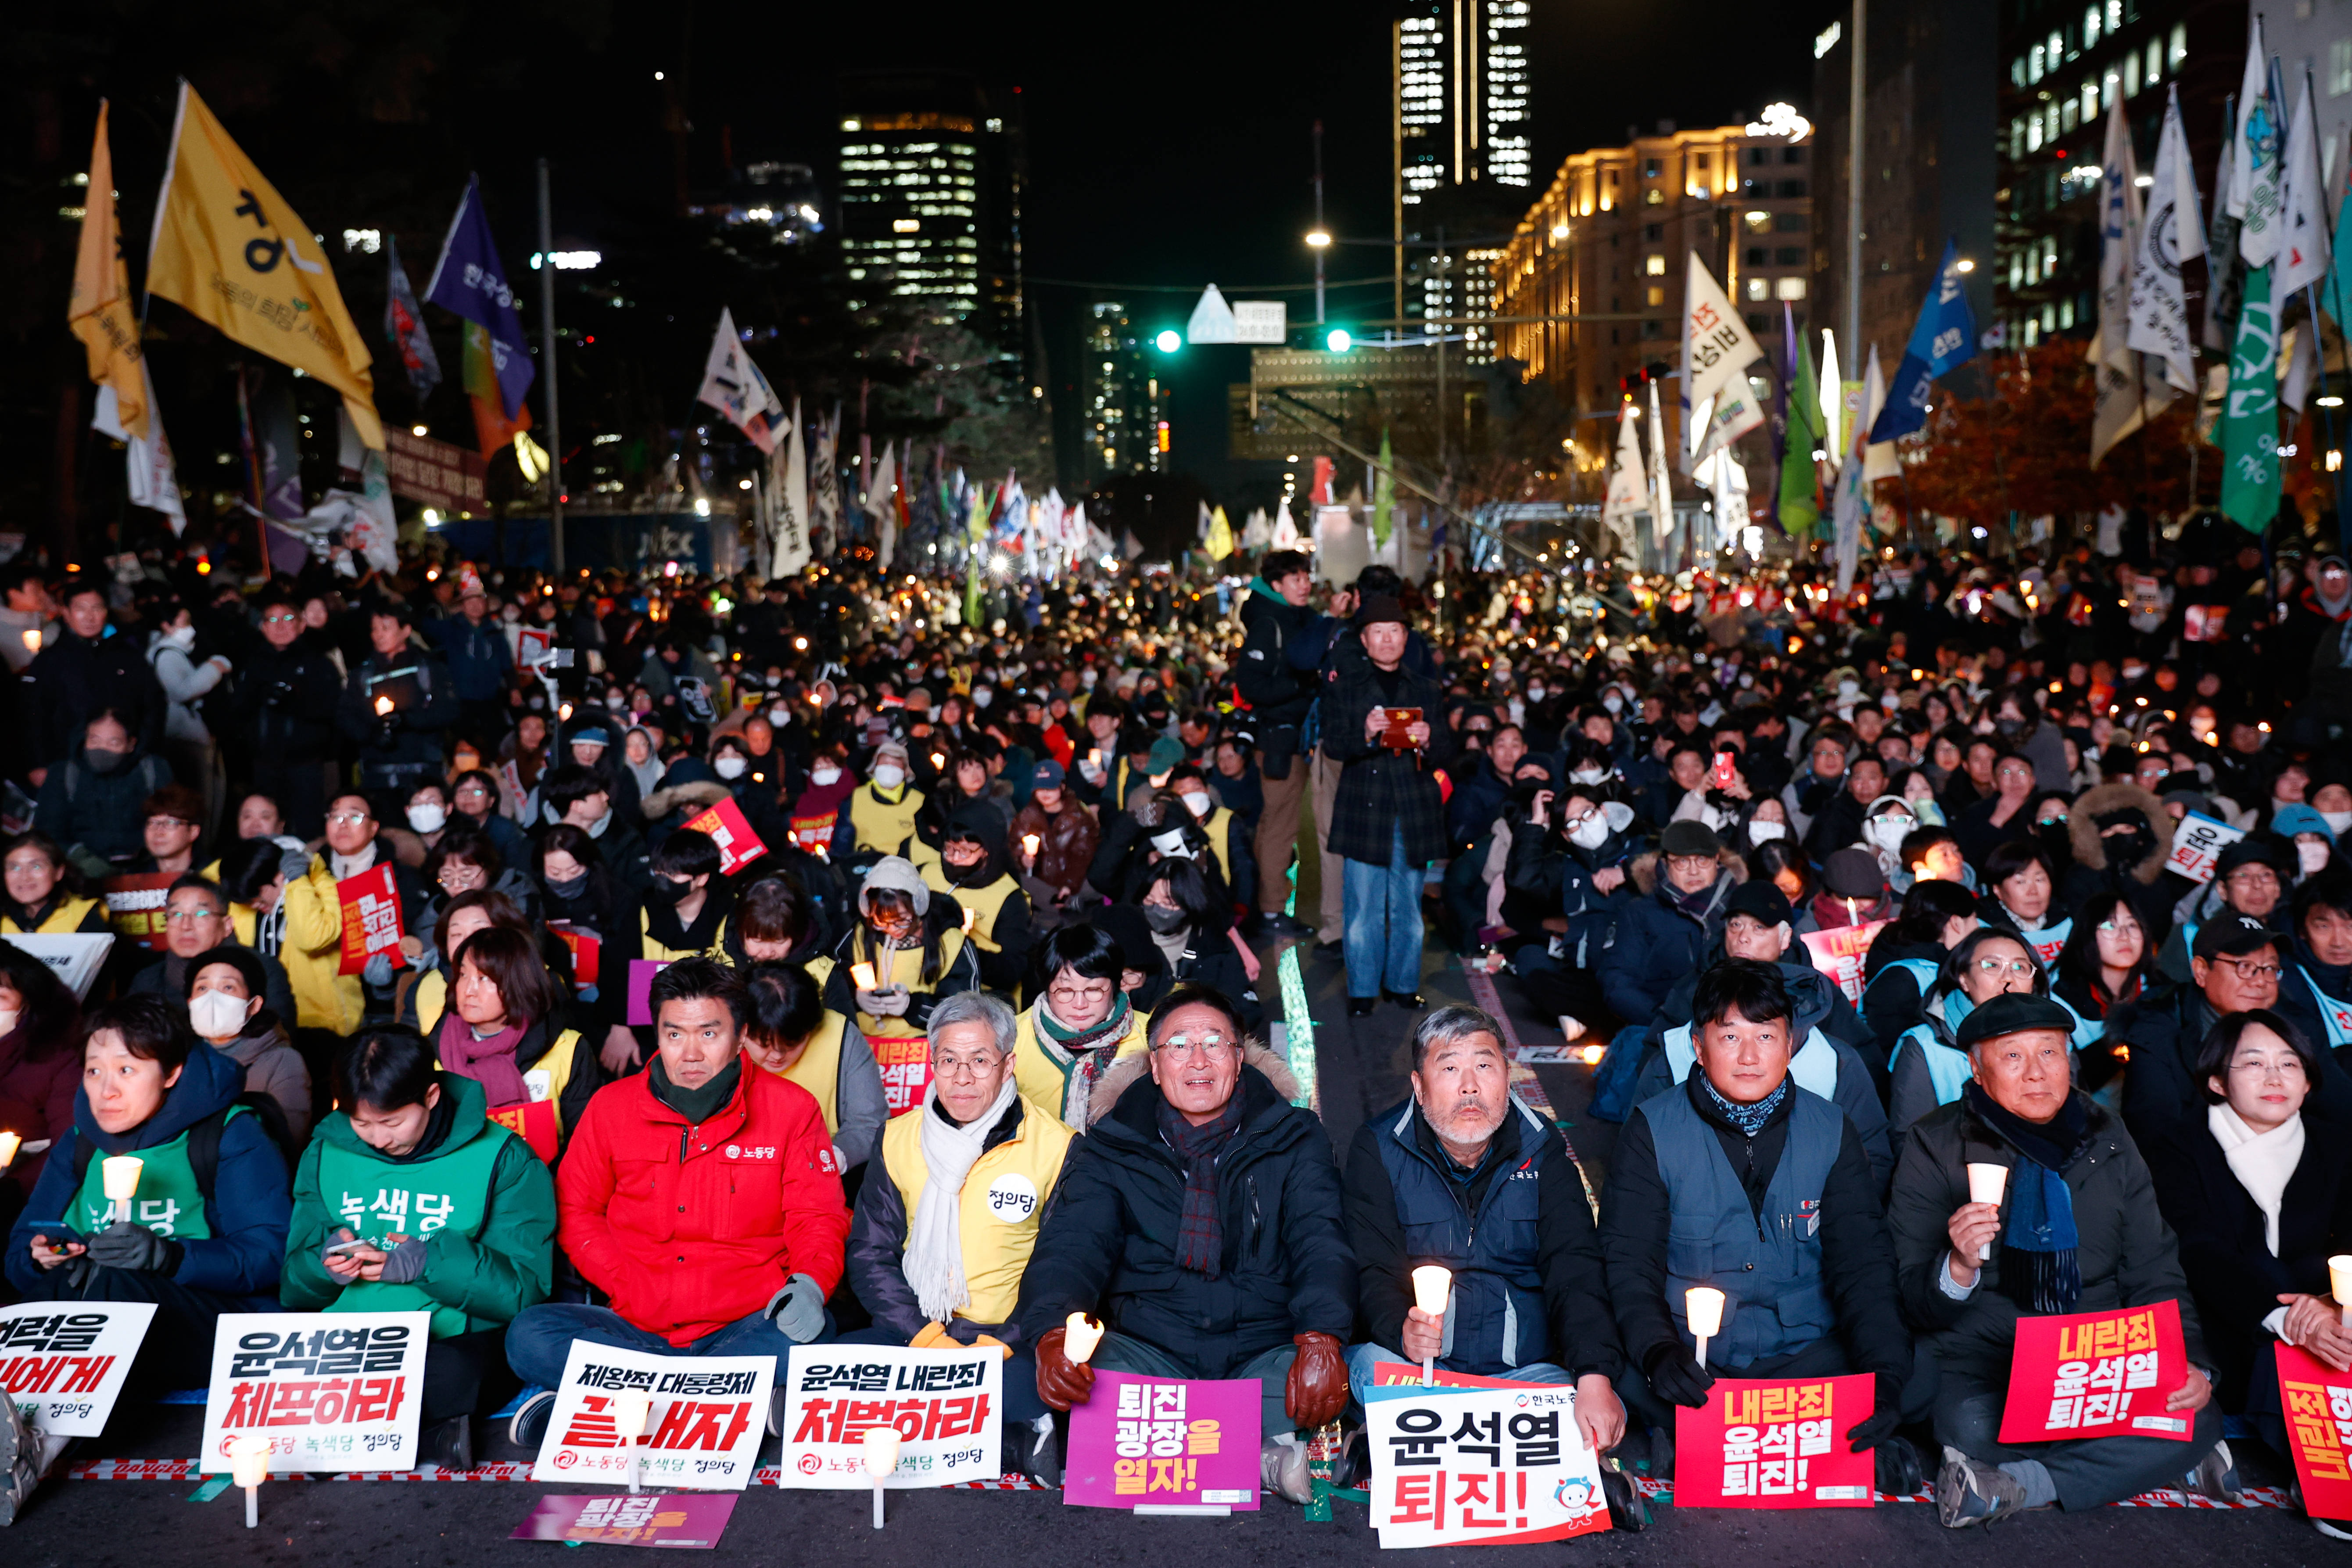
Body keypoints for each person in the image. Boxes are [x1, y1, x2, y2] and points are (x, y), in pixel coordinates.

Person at [1885, 993, 2236, 1524]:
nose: (2035, 1073)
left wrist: (2189, 1359)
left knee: (2200, 1409)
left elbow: (2153, 1266)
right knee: (1971, 1429)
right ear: (1976, 1071)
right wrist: (1956, 1265)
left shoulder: (2108, 1136)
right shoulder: (1934, 1143)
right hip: (1984, 1354)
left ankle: (2023, 1483)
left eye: (2049, 1053)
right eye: (2011, 1057)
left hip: (2091, 1356)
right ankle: (2147, 1460)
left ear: (2069, 1059)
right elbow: (1909, 1295)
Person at [1016, 983, 1355, 1504]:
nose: (1197, 1059)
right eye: (1178, 1044)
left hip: (1260, 1351)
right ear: (1154, 1066)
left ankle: (1155, 1444)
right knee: (1077, 1374)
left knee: (1328, 1382)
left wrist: (1320, 1339)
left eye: (1214, 1043)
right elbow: (1071, 1246)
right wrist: (1053, 1333)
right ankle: (1262, 1457)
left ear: (1239, 1059)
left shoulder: (1294, 1135)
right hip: (1150, 1351)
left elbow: (1320, 1239)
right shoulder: (1112, 1145)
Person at [1599, 960, 1922, 1490]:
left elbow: (1862, 1261)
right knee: (1608, 1361)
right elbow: (1628, 1260)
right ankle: (1827, 1446)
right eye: (1729, 1036)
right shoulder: (1651, 1128)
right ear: (1698, 1048)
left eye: (1766, 1036)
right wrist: (1658, 1350)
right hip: (1693, 1358)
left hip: (1804, 1356)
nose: (1749, 1057)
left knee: (1913, 1368)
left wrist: (1882, 1376)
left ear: (1789, 1043)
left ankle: (1696, 1443)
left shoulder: (1830, 1128)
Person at [504, 959, 849, 1442]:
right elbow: (577, 1210)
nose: (690, 1053)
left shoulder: (792, 1110)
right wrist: (623, 1278)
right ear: (657, 1035)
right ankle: (730, 1400)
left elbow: (817, 1216)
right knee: (529, 1335)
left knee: (812, 1333)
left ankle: (614, 1402)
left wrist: (810, 1283)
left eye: (709, 1034)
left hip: (747, 1322)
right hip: (638, 1322)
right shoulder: (611, 1108)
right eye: (674, 1035)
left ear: (741, 1034)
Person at [1342, 1005, 1628, 1452]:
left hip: (1520, 1377)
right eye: (1450, 1068)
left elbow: (1575, 1268)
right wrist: (1398, 1328)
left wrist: (1593, 1374)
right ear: (1418, 1086)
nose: (1469, 1086)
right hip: (1417, 1371)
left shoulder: (1542, 1147)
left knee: (1592, 1399)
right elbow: (1369, 1265)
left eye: (1484, 1065)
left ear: (1507, 1077)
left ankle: (1398, 1442)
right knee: (1362, 1366)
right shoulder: (1379, 1146)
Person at [280, 1026, 556, 1471]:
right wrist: (324, 1265)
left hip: (447, 1338)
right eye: (361, 1123)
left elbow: (524, 1293)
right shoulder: (325, 1151)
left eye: (391, 1122)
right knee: (262, 1348)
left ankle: (339, 1433)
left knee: (462, 1369)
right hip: (348, 1338)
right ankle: (427, 1435)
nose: (377, 1139)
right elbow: (292, 1288)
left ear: (430, 1096)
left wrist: (427, 1263)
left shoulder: (504, 1157)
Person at [3, 996, 291, 1399]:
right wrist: (42, 1257)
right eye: (93, 1071)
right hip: (97, 1318)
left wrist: (169, 1257)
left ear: (171, 1073)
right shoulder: (80, 1142)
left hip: (214, 1319)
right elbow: (19, 1255)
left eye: (126, 1070)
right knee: (73, 1287)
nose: (107, 1091)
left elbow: (271, 1256)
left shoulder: (228, 1132)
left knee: (116, 1284)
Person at [840, 990, 1074, 1480]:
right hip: (914, 1331)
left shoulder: (1056, 1146)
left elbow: (1062, 1268)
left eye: (979, 1061)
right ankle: (1001, 1437)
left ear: (1008, 1064)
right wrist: (926, 1339)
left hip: (1010, 1341)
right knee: (823, 1371)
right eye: (948, 1061)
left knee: (1059, 1387)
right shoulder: (897, 1137)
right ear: (932, 1062)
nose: (962, 1078)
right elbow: (870, 1253)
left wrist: (1001, 1343)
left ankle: (999, 1429)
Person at [2141, 1008, 2352, 1538]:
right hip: (2223, 1320)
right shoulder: (2175, 1144)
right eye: (2253, 1063)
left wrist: (2329, 1303)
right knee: (2277, 1351)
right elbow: (2198, 1249)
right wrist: (2289, 1318)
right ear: (2216, 1079)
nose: (2275, 1077)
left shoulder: (2336, 1144)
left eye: (2289, 1064)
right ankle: (2325, 1476)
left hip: (2326, 1314)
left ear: (2307, 1082)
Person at [1631, 889, 1895, 1191]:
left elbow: (1869, 1142)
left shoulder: (1829, 1033)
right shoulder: (1690, 993)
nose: (1744, 937)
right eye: (1736, 925)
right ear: (1699, 1045)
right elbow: (1642, 1147)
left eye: (1759, 927)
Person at [1323, 593, 1454, 1014]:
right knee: (1362, 907)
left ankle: (1402, 984)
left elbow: (1449, 752)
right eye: (1377, 632)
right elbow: (1335, 746)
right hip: (1366, 806)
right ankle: (1362, 991)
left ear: (1405, 638)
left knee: (1409, 908)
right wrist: (1365, 732)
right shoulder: (1346, 686)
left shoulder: (1427, 688)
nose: (1386, 639)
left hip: (1414, 807)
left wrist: (1430, 738)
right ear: (1364, 639)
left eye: (1394, 632)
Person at [437, 927, 600, 1163]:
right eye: (463, 975)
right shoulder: (435, 1050)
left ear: (518, 981)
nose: (469, 990)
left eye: (484, 978)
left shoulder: (567, 1049)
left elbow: (585, 1146)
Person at [1887, 927, 2050, 1154]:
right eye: (1992, 965)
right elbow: (1910, 1142)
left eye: (2020, 967)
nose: (2008, 978)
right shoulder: (1924, 1046)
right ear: (1964, 979)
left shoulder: (2054, 1038)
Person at [1233, 550, 1324, 938]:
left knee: (1275, 823)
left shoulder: (1295, 618)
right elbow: (1251, 685)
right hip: (1278, 739)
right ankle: (1271, 909)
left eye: (1306, 576)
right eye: (1295, 578)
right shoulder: (1269, 622)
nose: (1304, 584)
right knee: (1279, 827)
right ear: (1276, 585)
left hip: (1290, 737)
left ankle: (1263, 902)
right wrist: (1302, 684)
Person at [599, 828, 735, 1074]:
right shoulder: (641, 907)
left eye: (672, 874)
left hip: (717, 1028)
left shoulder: (733, 911)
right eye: (658, 872)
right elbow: (616, 969)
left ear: (701, 879)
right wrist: (620, 1027)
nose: (662, 880)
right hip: (652, 1027)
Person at [739, 961, 888, 1181]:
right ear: (742, 1030)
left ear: (812, 1027)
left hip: (825, 1176)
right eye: (764, 1044)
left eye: (792, 1043)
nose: (778, 1056)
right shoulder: (722, 1039)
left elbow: (869, 1123)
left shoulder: (841, 1035)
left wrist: (834, 1157)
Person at [1601, 820, 1741, 1031]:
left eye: (1703, 860)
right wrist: (1664, 1020)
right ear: (1666, 864)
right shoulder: (1640, 913)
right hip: (1663, 1024)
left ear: (1717, 861)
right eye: (1682, 862)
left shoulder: (1742, 907)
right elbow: (1619, 981)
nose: (1694, 871)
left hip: (1737, 1026)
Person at [1011, 922, 1151, 1127]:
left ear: (1116, 985)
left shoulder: (1152, 1036)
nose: (1080, 1005)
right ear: (1047, 987)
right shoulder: (1011, 1038)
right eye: (1065, 991)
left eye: (1094, 990)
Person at [229, 586, 343, 838]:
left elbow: (334, 710)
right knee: (265, 833)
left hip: (306, 766)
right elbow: (238, 711)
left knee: (307, 833)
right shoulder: (253, 665)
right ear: (263, 627)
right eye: (272, 620)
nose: (280, 626)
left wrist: (295, 701)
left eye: (287, 619)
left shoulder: (319, 664)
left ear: (302, 624)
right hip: (264, 765)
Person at [22, 581, 166, 776]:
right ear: (66, 613)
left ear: (106, 611)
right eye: (81, 609)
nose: (90, 617)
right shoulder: (49, 661)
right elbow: (34, 715)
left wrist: (143, 750)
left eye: (97, 608)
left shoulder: (127, 656)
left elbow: (153, 705)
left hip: (127, 761)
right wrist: (38, 764)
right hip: (68, 764)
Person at [126, 873, 299, 1027]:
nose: (186, 926)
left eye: (200, 914)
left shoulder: (261, 969)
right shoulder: (148, 980)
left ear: (227, 925)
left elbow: (280, 1036)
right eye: (177, 914)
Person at [338, 601, 458, 822]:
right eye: (374, 629)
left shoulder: (429, 669)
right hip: (378, 776)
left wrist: (408, 720)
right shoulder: (362, 674)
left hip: (422, 775)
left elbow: (449, 712)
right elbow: (347, 716)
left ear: (406, 630)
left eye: (386, 628)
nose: (378, 635)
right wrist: (372, 734)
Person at [182, 944, 311, 1144]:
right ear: (191, 1002)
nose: (213, 998)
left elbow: (289, 1139)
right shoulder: (180, 1058)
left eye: (228, 987)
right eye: (203, 988)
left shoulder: (283, 1061)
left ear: (254, 1006)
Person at [32, 710, 176, 875]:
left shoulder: (153, 770)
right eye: (94, 740)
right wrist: (81, 859)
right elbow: (48, 830)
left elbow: (174, 819)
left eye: (114, 743)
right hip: (81, 872)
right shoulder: (64, 773)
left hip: (147, 869)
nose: (102, 749)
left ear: (131, 744)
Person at [1137, 856, 1262, 1034]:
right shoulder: (1128, 940)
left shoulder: (1214, 946)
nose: (1158, 910)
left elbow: (1247, 1011)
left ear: (1190, 902)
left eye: (1168, 904)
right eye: (1150, 901)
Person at [0, 945, 81, 1215]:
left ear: (27, 1003)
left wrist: (15, 1187)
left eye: (0, 997)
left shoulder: (60, 1056)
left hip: (25, 1200)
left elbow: (69, 1145)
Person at [924, 802, 1033, 991]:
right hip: (927, 984)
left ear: (986, 851)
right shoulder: (926, 874)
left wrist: (960, 947)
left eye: (966, 851)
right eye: (949, 848)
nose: (955, 858)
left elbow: (1011, 972)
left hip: (982, 994)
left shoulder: (1010, 899)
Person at [1009, 759, 1101, 925]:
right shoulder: (1026, 817)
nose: (1046, 792)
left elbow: (1083, 855)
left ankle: (1065, 902)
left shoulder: (1079, 816)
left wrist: (1069, 885)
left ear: (1063, 787)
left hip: (1073, 879)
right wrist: (1023, 859)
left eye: (1051, 787)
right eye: (1041, 787)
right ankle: (1058, 904)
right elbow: (1014, 847)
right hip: (1041, 882)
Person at [0, 831, 110, 935]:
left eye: (36, 866)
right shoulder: (5, 921)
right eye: (14, 867)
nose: (24, 877)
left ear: (59, 872)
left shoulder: (83, 917)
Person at [847, 738, 924, 856]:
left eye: (895, 764)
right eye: (884, 763)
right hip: (864, 862)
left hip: (904, 865)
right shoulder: (856, 796)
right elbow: (844, 838)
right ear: (874, 767)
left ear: (906, 772)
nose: (889, 768)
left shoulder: (919, 801)